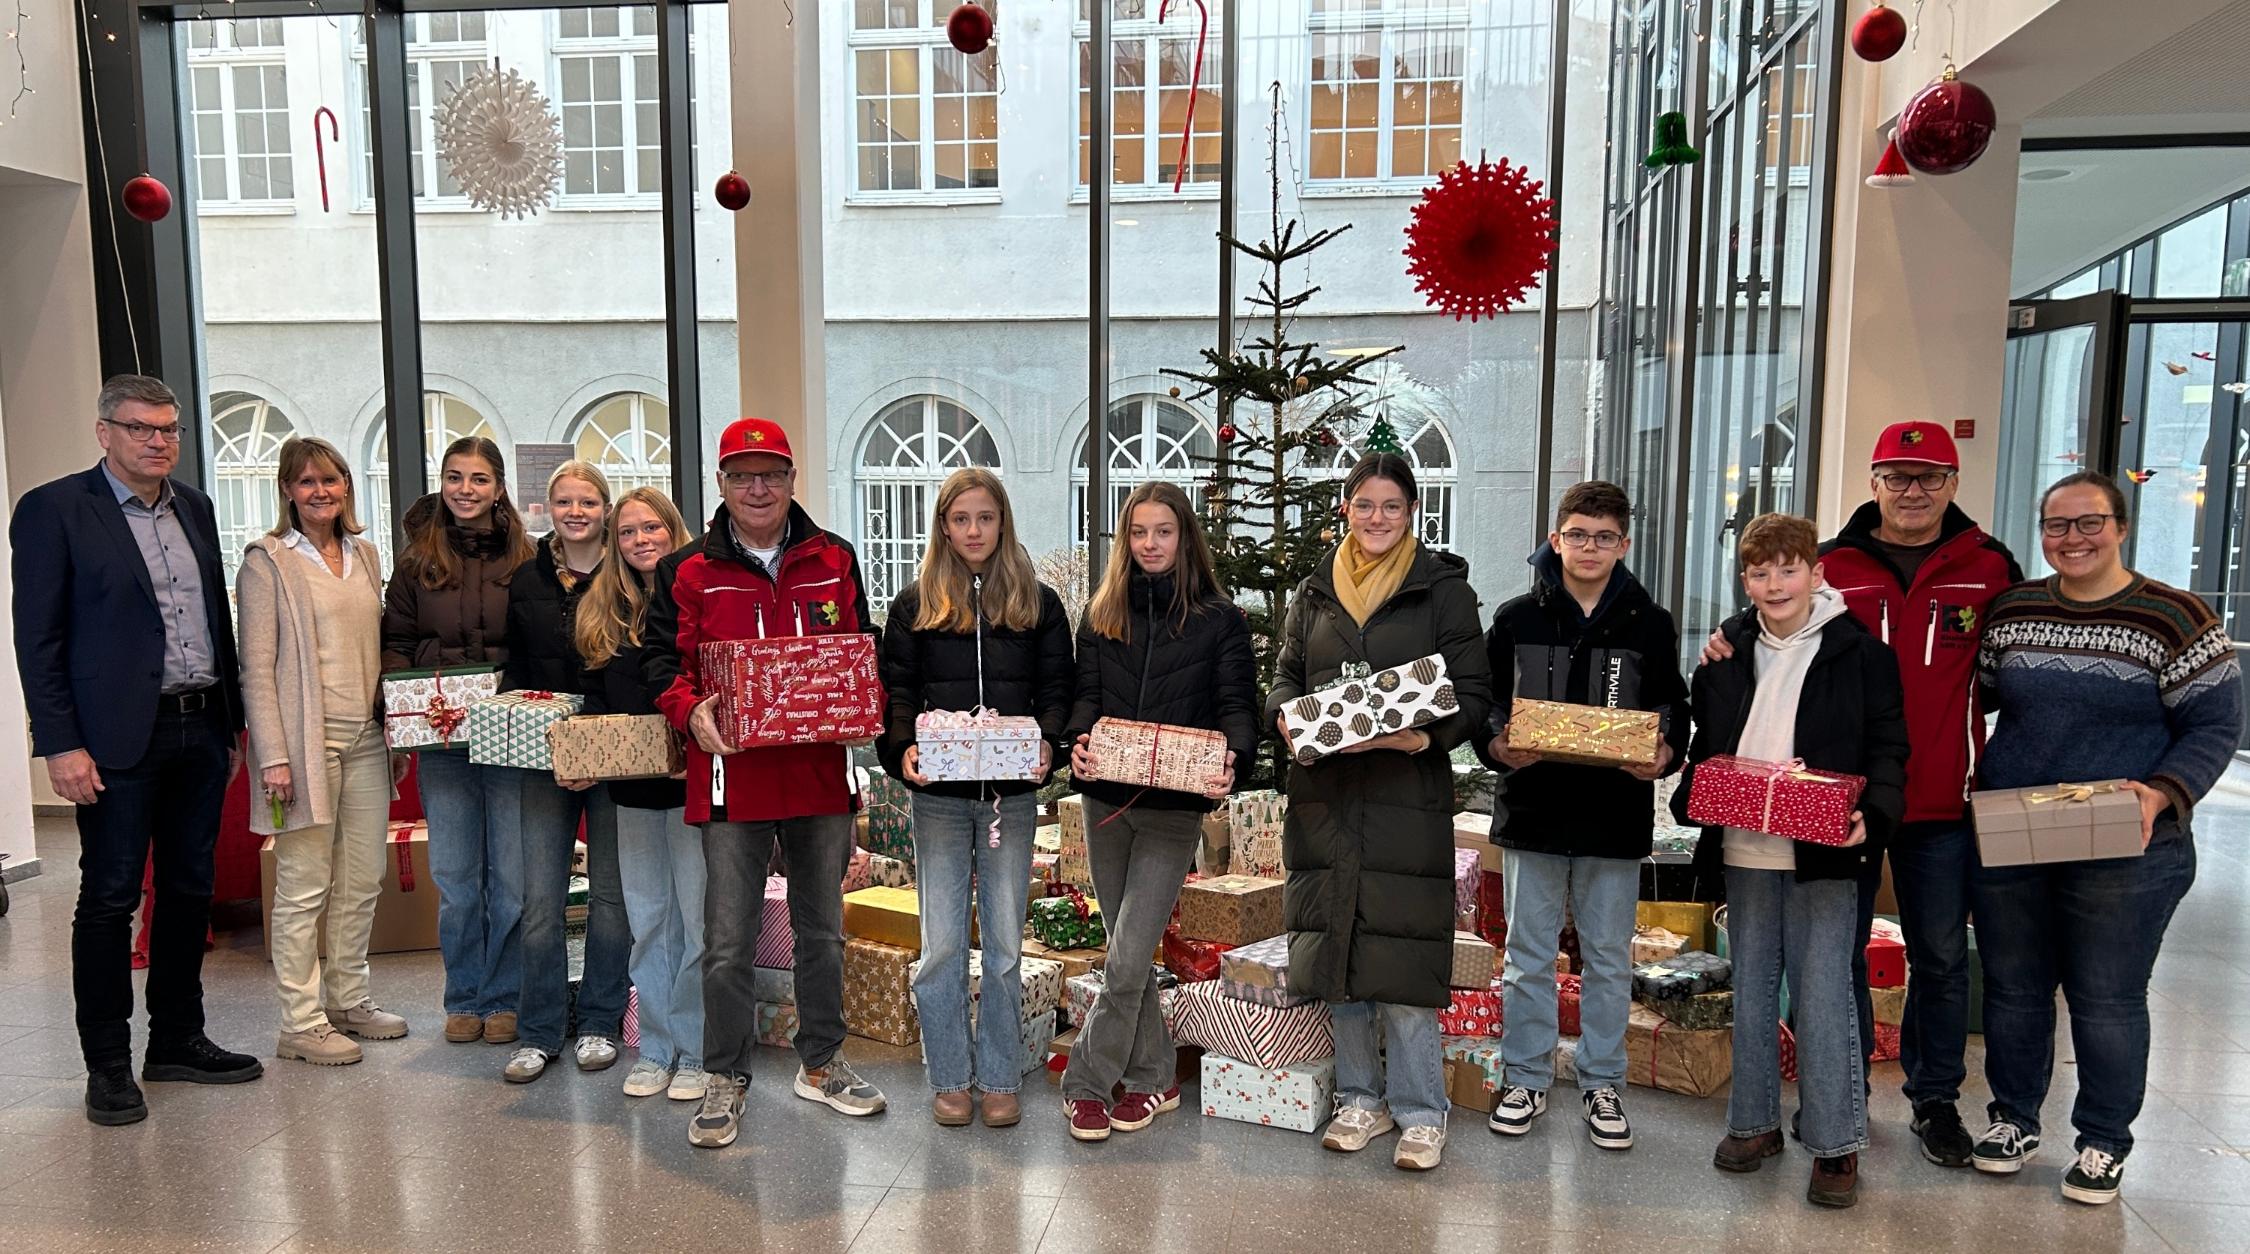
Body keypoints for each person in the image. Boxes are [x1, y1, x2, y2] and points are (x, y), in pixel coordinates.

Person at [1703, 420, 2020, 1168]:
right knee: (1829, 973)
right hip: (1806, 825)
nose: (1912, 491)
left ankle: (1933, 1102)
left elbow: (2008, 678)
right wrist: (1726, 637)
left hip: (1936, 800)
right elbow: (1767, 627)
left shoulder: (1990, 566)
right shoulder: (1838, 562)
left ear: (1952, 483)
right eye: (1896, 476)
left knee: (1940, 958)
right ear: (1873, 481)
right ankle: (1828, 1112)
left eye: (1929, 477)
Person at [1966, 471, 2242, 1205]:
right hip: (2017, 825)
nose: (2072, 539)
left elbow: (2215, 723)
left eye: (2088, 523)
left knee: (2106, 997)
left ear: (2120, 527)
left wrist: (2162, 791)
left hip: (2126, 838)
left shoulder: (2175, 617)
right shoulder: (2015, 609)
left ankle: (2102, 1140)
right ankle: (2013, 1120)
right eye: (2057, 526)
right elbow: (1977, 693)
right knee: (2016, 989)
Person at [11, 374, 261, 1125]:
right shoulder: (56, 510)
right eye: (142, 428)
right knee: (112, 896)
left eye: (171, 429)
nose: (160, 441)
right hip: (116, 738)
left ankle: (178, 1039)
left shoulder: (194, 505)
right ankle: (109, 1064)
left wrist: (233, 721)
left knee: (189, 890)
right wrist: (60, 744)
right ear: (105, 433)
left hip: (198, 727)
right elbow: (39, 639)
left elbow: (215, 619)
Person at [646, 417, 889, 1149]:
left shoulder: (834, 557)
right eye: (743, 475)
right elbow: (661, 668)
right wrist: (691, 715)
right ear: (720, 484)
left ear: (791, 480)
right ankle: (726, 1076)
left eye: (773, 474)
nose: (759, 488)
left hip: (817, 776)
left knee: (823, 931)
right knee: (726, 941)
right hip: (732, 783)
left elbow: (861, 649)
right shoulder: (686, 570)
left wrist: (859, 701)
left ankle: (822, 1064)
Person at [1266, 453, 1494, 1172]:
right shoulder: (1314, 592)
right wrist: (1284, 722)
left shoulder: (1443, 591)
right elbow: (1284, 676)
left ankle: (1424, 1111)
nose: (1376, 518)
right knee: (1340, 955)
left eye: (1392, 506)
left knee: (1400, 958)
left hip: (1403, 796)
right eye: (1365, 504)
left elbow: (1475, 694)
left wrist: (1423, 736)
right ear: (1345, 507)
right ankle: (1359, 1099)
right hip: (1327, 799)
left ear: (1412, 513)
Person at [1674, 513, 1908, 1210]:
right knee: (1750, 985)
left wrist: (1877, 813)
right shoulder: (1725, 652)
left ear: (1816, 573)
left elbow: (1889, 748)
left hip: (1827, 850)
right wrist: (1695, 796)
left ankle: (1835, 1143)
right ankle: (1753, 1124)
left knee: (1822, 993)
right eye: (1758, 572)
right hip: (1747, 847)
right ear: (1744, 579)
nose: (1773, 583)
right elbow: (1706, 746)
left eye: (1787, 569)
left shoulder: (1861, 655)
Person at [1475, 480, 1689, 1151]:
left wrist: (1665, 750)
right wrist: (1496, 742)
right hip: (1533, 814)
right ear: (1554, 538)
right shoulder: (1515, 619)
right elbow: (1483, 702)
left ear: (1623, 544)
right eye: (1577, 535)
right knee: (1528, 958)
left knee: (1605, 960)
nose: (1588, 548)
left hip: (1613, 818)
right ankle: (1527, 1077)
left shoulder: (1651, 623)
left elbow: (1673, 706)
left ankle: (1602, 1082)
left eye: (1603, 537)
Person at [1059, 481, 1259, 1143]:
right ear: (1126, 539)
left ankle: (1085, 1081)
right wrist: (1077, 747)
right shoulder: (1102, 613)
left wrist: (1234, 757)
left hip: (1174, 810)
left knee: (1124, 958)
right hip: (1107, 805)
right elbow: (1084, 699)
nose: (1150, 544)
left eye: (1163, 531)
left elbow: (1236, 706)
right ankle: (1154, 1078)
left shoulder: (1219, 619)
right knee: (1130, 954)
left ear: (1184, 538)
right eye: (1139, 532)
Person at [877, 468, 1074, 1130]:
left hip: (1011, 802)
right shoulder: (913, 606)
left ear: (1002, 523)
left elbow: (1057, 691)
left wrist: (1050, 743)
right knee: (939, 945)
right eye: (960, 519)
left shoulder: (1039, 604)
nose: (973, 531)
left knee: (1006, 944)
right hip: (938, 799)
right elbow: (896, 691)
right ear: (942, 527)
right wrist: (900, 748)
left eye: (985, 518)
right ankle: (950, 1076)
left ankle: (998, 1076)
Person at [238, 437, 404, 1066]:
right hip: (305, 748)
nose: (320, 492)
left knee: (363, 878)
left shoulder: (364, 555)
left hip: (365, 739)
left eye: (330, 481)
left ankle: (348, 999)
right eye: (306, 482)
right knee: (305, 883)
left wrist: (394, 730)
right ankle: (300, 1021)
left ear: (345, 488)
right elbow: (254, 669)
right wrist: (272, 756)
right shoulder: (268, 562)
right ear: (287, 490)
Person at [382, 435, 535, 1047]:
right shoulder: (416, 559)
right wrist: (401, 705)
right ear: (441, 484)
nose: (465, 490)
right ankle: (464, 995)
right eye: (454, 477)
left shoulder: (527, 558)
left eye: (477, 479)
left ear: (498, 488)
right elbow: (393, 641)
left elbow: (537, 645)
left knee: (510, 878)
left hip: (507, 736)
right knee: (455, 876)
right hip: (440, 737)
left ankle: (504, 997)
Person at [500, 461, 632, 1084]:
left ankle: (602, 1022)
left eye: (587, 501)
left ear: (605, 508)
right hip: (543, 757)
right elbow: (517, 671)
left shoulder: (630, 575)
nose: (575, 511)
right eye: (563, 501)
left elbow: (635, 671)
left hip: (613, 754)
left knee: (610, 898)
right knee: (540, 900)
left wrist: (593, 750)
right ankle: (539, 1031)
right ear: (547, 509)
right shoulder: (526, 579)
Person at [575, 487, 708, 1103]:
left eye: (651, 527)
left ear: (673, 530)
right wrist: (584, 753)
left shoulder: (694, 597)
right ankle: (655, 1047)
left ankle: (699, 1050)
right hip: (631, 794)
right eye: (626, 532)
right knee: (650, 921)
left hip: (694, 790)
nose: (639, 540)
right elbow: (596, 703)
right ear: (613, 542)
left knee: (698, 923)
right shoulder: (600, 610)